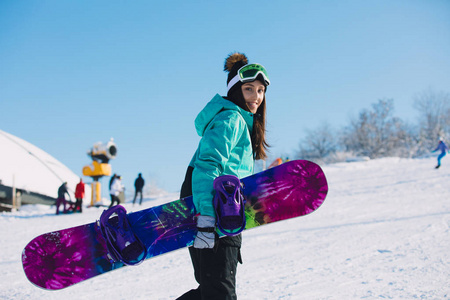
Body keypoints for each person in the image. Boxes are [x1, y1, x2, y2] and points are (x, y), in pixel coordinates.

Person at [177, 52, 270, 300]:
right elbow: (207, 165)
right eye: (249, 89)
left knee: (213, 292)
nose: (256, 97)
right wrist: (205, 219)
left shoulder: (238, 121)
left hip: (220, 210)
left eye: (260, 90)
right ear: (235, 91)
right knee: (219, 293)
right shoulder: (231, 119)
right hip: (212, 210)